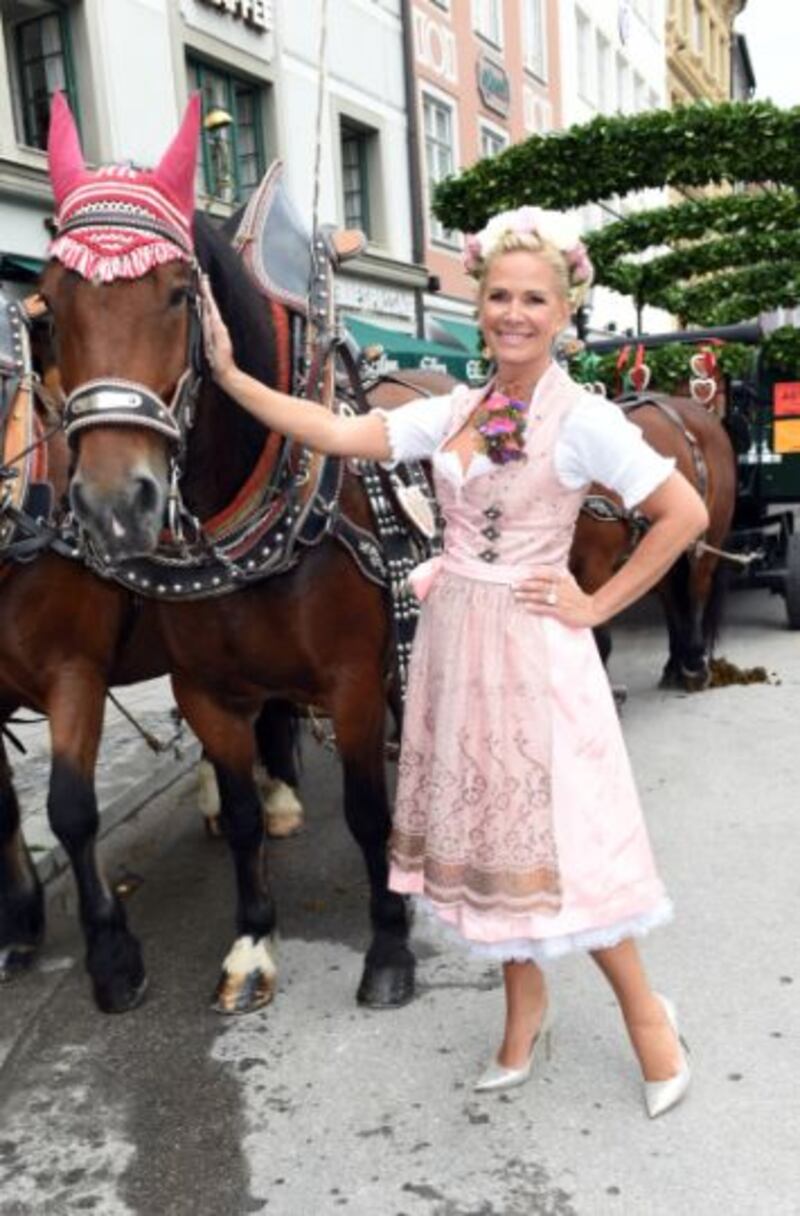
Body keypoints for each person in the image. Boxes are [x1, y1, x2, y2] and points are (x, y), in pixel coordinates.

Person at [201, 205, 706, 1118]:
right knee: (489, 845)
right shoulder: (458, 410)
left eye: (535, 300)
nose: (514, 313)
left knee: (567, 843)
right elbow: (341, 434)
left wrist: (595, 603)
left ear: (564, 312)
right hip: (456, 645)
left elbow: (684, 516)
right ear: (480, 305)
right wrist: (234, 378)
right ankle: (524, 1014)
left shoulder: (584, 420)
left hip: (535, 656)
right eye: (500, 296)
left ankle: (647, 1019)